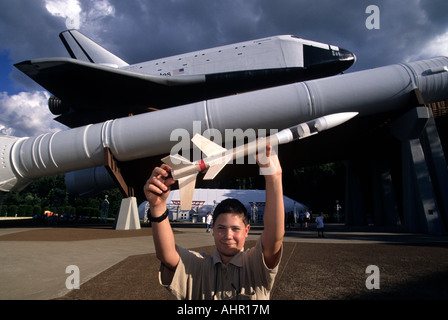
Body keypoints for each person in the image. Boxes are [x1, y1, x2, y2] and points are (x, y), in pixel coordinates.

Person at [144, 145, 284, 300]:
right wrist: (157, 207)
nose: (228, 235)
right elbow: (167, 255)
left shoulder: (256, 266)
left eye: (235, 229)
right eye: (221, 228)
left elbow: (274, 237)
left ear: (246, 230)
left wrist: (274, 177)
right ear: (212, 228)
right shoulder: (199, 267)